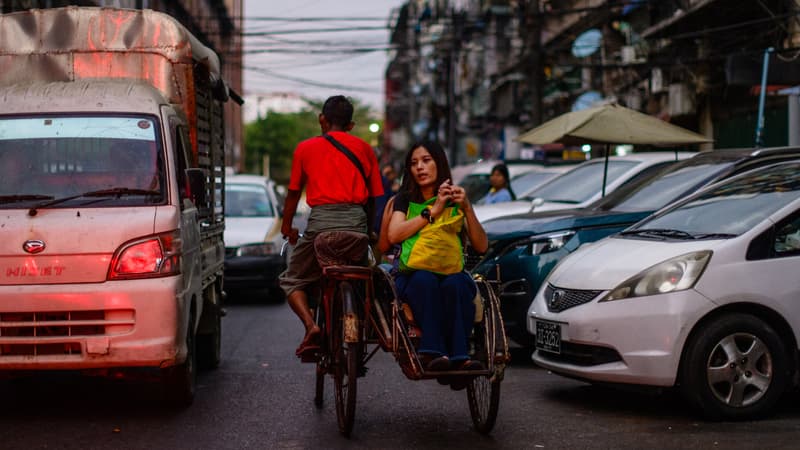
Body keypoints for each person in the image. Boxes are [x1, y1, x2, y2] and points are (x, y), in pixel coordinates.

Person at [280, 95, 384, 360]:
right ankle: (362, 321)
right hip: (356, 226)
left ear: (322, 120)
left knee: (292, 279)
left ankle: (311, 326)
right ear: (350, 125)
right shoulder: (365, 149)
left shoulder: (305, 148)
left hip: (320, 229)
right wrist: (369, 231)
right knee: (364, 276)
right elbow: (373, 199)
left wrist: (287, 227)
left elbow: (293, 194)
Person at [385, 140, 488, 389]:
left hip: (450, 270)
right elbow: (394, 235)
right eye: (414, 163)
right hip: (413, 273)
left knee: (458, 284)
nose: (420, 167)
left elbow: (481, 246)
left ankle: (460, 358)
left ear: (439, 163)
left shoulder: (456, 198)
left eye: (426, 160)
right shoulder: (405, 199)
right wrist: (433, 210)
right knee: (425, 280)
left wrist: (467, 208)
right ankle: (434, 353)